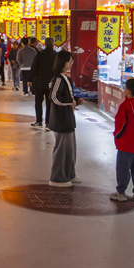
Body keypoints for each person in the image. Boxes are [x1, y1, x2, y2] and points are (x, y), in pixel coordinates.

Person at [48, 50, 80, 187]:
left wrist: (76, 100)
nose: (70, 64)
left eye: (72, 62)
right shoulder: (57, 79)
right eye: (69, 62)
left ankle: (69, 174)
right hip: (61, 120)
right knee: (61, 149)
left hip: (68, 119)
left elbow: (68, 96)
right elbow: (54, 98)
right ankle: (57, 178)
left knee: (70, 149)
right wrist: (70, 102)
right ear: (62, 62)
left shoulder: (67, 78)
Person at [32, 38, 57, 128]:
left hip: (40, 82)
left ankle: (39, 121)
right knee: (49, 103)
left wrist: (30, 79)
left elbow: (34, 67)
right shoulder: (56, 56)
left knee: (38, 101)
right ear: (53, 44)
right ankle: (48, 123)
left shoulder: (40, 54)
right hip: (51, 83)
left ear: (45, 44)